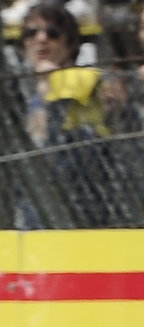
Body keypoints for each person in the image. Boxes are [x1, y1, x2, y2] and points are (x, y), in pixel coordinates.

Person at [17, 2, 132, 228]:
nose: (41, 39)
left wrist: (52, 84)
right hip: (35, 211)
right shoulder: (21, 92)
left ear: (69, 44)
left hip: (86, 206)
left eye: (52, 33)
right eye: (32, 33)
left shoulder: (85, 79)